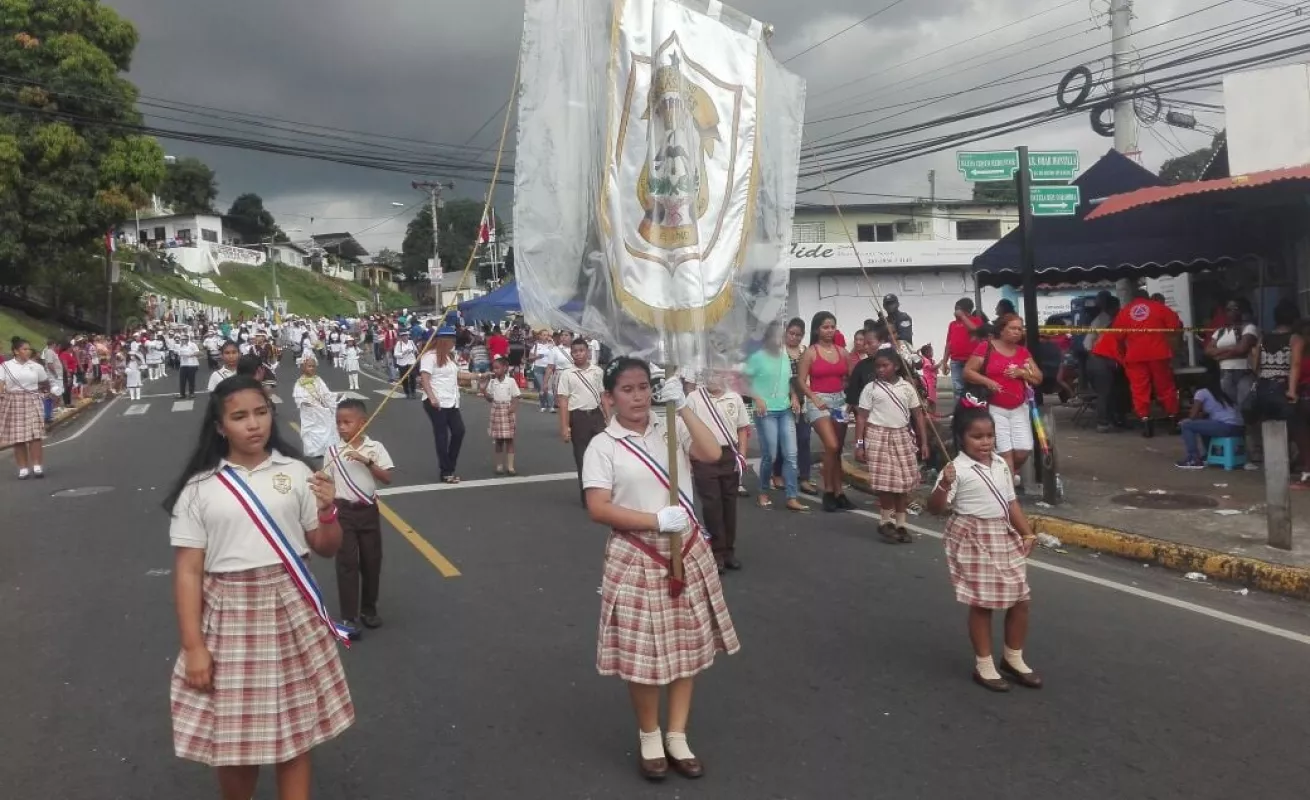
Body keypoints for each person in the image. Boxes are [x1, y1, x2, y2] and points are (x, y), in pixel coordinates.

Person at [163, 375, 354, 797]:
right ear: (219, 426)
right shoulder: (200, 490)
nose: (254, 425)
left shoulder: (296, 471)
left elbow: (324, 547)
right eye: (240, 417)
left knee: (295, 736)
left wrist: (327, 511)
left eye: (261, 413)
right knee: (236, 744)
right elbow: (189, 573)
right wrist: (194, 646)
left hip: (291, 610)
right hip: (230, 617)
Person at [581, 357, 739, 780]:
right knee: (644, 654)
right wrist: (654, 521)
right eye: (627, 390)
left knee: (686, 648)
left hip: (685, 548)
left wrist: (683, 403)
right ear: (610, 397)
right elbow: (597, 507)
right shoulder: (604, 445)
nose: (638, 397)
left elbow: (712, 453)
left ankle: (677, 736)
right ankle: (649, 735)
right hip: (637, 551)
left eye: (643, 388)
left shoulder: (670, 426)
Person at [927, 407, 1041, 693]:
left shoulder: (1002, 464)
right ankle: (984, 664)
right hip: (972, 536)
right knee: (982, 603)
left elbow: (1011, 502)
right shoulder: (956, 469)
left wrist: (1027, 532)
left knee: (1021, 598)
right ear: (961, 438)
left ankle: (1013, 658)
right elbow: (935, 509)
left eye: (990, 435)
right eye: (976, 436)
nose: (985, 441)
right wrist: (944, 484)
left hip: (1002, 532)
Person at [324, 399, 395, 639]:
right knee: (346, 563)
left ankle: (368, 608)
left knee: (371, 560)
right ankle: (349, 615)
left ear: (363, 423)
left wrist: (367, 461)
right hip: (343, 512)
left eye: (347, 422)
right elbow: (327, 482)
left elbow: (387, 478)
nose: (341, 427)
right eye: (338, 423)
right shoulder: (333, 451)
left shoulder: (374, 448)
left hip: (367, 511)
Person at [855, 349, 930, 543]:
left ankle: (901, 524)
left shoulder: (907, 388)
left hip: (902, 435)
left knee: (902, 483)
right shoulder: (871, 389)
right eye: (878, 366)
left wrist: (924, 442)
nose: (880, 369)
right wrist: (860, 444)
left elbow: (918, 415)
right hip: (878, 434)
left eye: (885, 365)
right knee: (885, 483)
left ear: (896, 366)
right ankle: (885, 521)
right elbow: (862, 417)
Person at [962, 313, 1043, 491]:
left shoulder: (1023, 352)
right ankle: (1006, 495)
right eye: (1012, 328)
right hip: (994, 408)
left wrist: (1022, 373)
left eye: (1020, 329)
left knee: (1024, 449)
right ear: (1001, 329)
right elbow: (968, 372)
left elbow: (1038, 378)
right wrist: (988, 382)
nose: (1017, 332)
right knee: (1004, 453)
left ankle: (1004, 478)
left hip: (1019, 407)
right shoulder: (986, 347)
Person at [686, 370, 751, 573]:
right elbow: (685, 428)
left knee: (729, 503)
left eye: (717, 372)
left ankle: (729, 551)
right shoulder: (694, 398)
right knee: (712, 504)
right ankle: (716, 552)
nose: (713, 377)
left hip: (729, 453)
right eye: (709, 373)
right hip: (704, 454)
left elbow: (742, 428)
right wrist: (692, 456)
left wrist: (741, 455)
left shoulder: (734, 397)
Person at [746, 322, 807, 512]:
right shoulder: (756, 358)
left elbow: (788, 381)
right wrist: (757, 398)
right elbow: (743, 381)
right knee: (770, 455)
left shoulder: (784, 357)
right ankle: (763, 492)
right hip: (766, 412)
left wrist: (794, 397)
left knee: (791, 454)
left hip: (785, 409)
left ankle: (792, 496)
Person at [797, 311, 854, 512]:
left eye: (832, 327)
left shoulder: (843, 352)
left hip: (840, 402)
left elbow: (851, 378)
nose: (829, 331)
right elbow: (800, 381)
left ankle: (839, 492)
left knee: (837, 448)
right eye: (825, 327)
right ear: (816, 329)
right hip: (818, 401)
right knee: (830, 444)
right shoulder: (811, 352)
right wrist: (813, 398)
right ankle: (828, 490)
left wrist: (849, 400)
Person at [1112, 289, 1182, 437]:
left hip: (1135, 356)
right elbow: (1176, 326)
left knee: (1139, 389)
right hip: (1159, 353)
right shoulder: (1159, 307)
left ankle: (1146, 423)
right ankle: (1173, 420)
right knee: (1165, 387)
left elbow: (1117, 336)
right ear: (1147, 297)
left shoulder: (1125, 312)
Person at [420, 326, 472, 483]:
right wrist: (432, 397)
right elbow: (425, 378)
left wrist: (480, 375)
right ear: (444, 341)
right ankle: (446, 471)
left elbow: (458, 375)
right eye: (452, 340)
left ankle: (449, 466)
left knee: (459, 431)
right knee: (442, 435)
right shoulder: (429, 356)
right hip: (436, 402)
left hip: (452, 401)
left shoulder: (449, 358)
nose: (454, 342)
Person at [558, 338, 608, 503]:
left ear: (588, 352)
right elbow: (563, 401)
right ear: (571, 354)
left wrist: (609, 418)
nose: (578, 354)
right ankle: (587, 497)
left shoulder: (597, 371)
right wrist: (565, 426)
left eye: (581, 350)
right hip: (578, 417)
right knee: (582, 457)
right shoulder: (567, 374)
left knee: (603, 456)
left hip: (596, 416)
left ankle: (604, 494)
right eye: (575, 351)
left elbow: (603, 397)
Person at [774, 318, 816, 495]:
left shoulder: (805, 351)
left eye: (799, 335)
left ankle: (804, 477)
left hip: (803, 399)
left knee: (804, 438)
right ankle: (777, 474)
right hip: (781, 400)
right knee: (781, 440)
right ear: (785, 332)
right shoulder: (777, 351)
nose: (795, 337)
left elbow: (809, 376)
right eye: (792, 333)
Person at [1, 338, 51, 479]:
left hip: (33, 399)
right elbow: (1, 385)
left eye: (29, 349)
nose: (27, 351)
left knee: (35, 435)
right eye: (24, 349)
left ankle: (37, 466)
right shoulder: (5, 366)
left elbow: (45, 382)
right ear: (16, 351)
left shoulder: (35, 366)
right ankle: (23, 468)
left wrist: (46, 393)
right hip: (13, 401)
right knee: (18, 437)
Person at [1176, 370, 1243, 469]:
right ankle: (1210, 454)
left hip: (1226, 427)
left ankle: (1193, 458)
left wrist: (1184, 420)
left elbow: (1193, 416)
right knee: (1204, 426)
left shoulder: (1201, 392)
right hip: (1238, 428)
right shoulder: (1220, 393)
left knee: (1186, 425)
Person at [1204, 299, 1258, 412]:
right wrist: (1230, 348)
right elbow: (1208, 350)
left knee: (1244, 405)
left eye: (1235, 309)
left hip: (1243, 371)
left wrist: (1220, 354)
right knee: (1232, 406)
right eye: (1228, 309)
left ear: (1241, 311)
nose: (1231, 312)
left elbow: (1242, 349)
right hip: (1225, 373)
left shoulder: (1248, 328)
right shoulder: (1220, 332)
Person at [1084, 298, 1127, 432]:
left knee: (1108, 393)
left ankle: (1110, 420)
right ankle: (1102, 423)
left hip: (1096, 361)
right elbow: (1120, 357)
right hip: (1100, 362)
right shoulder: (1110, 331)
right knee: (1104, 393)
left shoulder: (1109, 331)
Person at [483, 356, 522, 475]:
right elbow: (490, 398)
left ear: (505, 368)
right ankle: (499, 465)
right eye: (493, 368)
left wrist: (513, 408)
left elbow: (516, 396)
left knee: (509, 440)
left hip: (507, 409)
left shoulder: (511, 381)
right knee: (498, 440)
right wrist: (484, 391)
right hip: (496, 409)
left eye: (497, 368)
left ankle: (510, 466)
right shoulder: (492, 382)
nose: (495, 370)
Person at [293, 356, 337, 459]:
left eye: (313, 366)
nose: (312, 368)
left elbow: (326, 393)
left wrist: (333, 399)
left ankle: (326, 450)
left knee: (326, 428)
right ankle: (314, 451)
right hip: (311, 412)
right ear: (303, 368)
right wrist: (311, 404)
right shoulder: (300, 383)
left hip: (322, 409)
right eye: (309, 366)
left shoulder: (318, 379)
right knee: (313, 431)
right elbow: (300, 398)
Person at [942, 299, 984, 397]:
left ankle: (972, 409)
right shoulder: (952, 324)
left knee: (973, 388)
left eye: (957, 309)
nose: (954, 312)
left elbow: (975, 330)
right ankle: (959, 410)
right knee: (957, 389)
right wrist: (944, 362)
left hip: (971, 361)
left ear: (965, 310)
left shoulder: (976, 320)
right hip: (956, 361)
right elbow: (949, 343)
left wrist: (963, 316)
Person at [393, 329, 419, 400]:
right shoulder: (399, 344)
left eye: (405, 336)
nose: (404, 337)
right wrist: (403, 353)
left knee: (413, 377)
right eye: (403, 336)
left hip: (411, 362)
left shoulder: (411, 342)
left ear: (408, 336)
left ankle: (413, 392)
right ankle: (407, 392)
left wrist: (413, 351)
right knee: (404, 378)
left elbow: (416, 350)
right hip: (402, 363)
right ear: (401, 337)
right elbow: (395, 354)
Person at [177, 333, 201, 399]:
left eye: (184, 339)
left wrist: (191, 355)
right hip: (183, 365)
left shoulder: (192, 345)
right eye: (182, 339)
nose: (183, 340)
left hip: (192, 365)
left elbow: (198, 352)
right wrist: (179, 357)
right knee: (182, 380)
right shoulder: (180, 346)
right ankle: (182, 394)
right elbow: (179, 355)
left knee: (191, 380)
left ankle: (191, 393)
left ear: (187, 339)